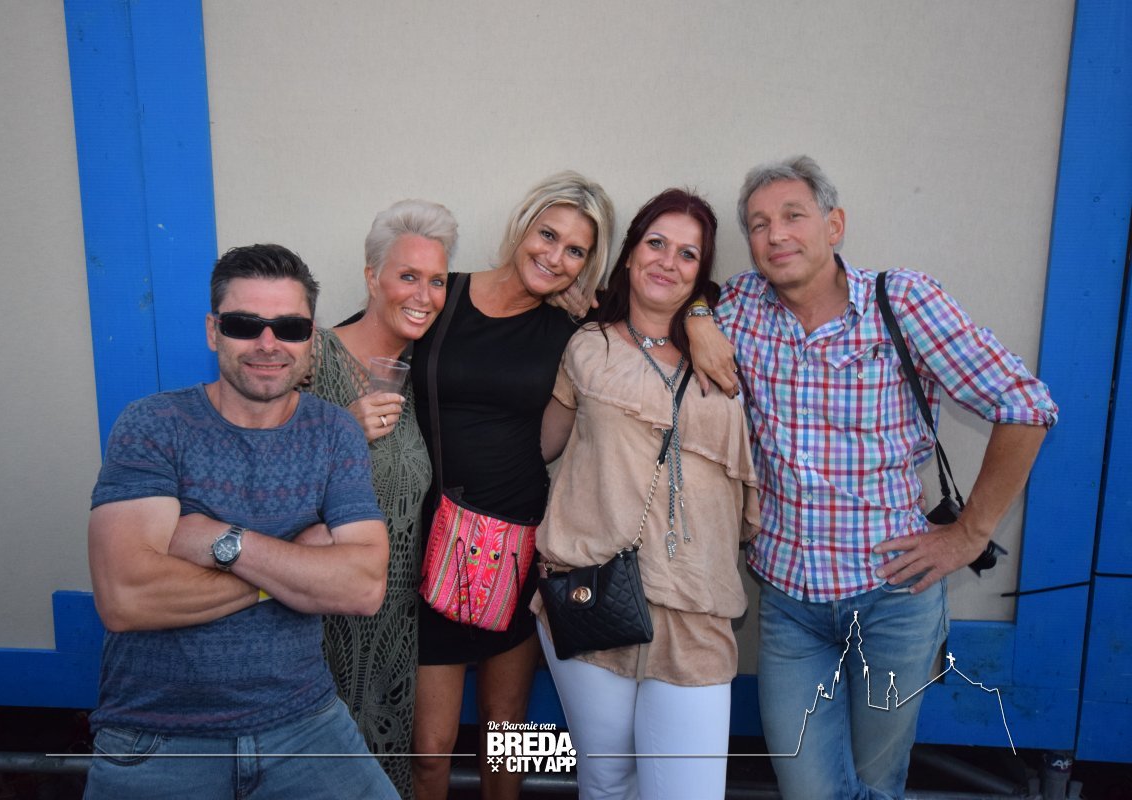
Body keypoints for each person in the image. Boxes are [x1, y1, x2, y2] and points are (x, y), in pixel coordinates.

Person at [685, 156, 1058, 799]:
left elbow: (1026, 406)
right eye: (759, 224)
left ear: (834, 225)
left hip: (893, 601)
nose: (776, 235)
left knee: (877, 782)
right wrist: (696, 316)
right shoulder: (741, 306)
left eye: (793, 216)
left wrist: (970, 534)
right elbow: (683, 290)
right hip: (790, 605)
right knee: (808, 788)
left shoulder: (902, 302)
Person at [85, 243, 398, 799]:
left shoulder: (333, 432)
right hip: (158, 736)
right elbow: (126, 597)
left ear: (311, 338)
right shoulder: (154, 425)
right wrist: (293, 568)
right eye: (244, 324)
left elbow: (363, 586)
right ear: (213, 331)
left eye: (290, 327)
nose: (268, 343)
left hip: (305, 724)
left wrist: (222, 541)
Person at [535, 189, 760, 799]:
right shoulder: (588, 345)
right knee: (606, 782)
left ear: (702, 272)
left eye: (688, 254)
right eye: (656, 243)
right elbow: (541, 445)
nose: (668, 261)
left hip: (696, 604)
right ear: (630, 254)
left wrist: (701, 316)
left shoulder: (730, 345)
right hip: (593, 593)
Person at [409, 171, 615, 800]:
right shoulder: (445, 292)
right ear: (522, 227)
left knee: (507, 739)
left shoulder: (573, 327)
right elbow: (360, 343)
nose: (555, 257)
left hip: (521, 543)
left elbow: (670, 296)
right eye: (547, 235)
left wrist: (701, 317)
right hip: (432, 541)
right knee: (429, 751)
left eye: (575, 250)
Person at [305, 200, 457, 799]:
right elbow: (261, 475)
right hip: (319, 619)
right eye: (407, 276)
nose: (424, 294)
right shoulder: (313, 357)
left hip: (395, 624)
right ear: (372, 278)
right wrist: (342, 427)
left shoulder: (421, 373)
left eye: (437, 281)